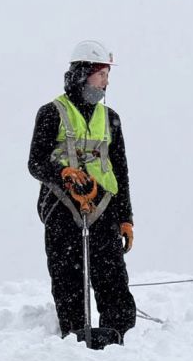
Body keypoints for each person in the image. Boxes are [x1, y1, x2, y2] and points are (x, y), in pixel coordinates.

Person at [28, 40, 137, 340]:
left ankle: (117, 336)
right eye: (102, 73)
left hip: (104, 207)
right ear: (83, 73)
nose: (107, 81)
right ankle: (75, 338)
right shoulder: (52, 113)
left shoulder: (110, 118)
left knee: (112, 277)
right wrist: (63, 173)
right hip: (61, 205)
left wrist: (126, 218)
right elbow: (35, 163)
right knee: (68, 278)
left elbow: (121, 171)